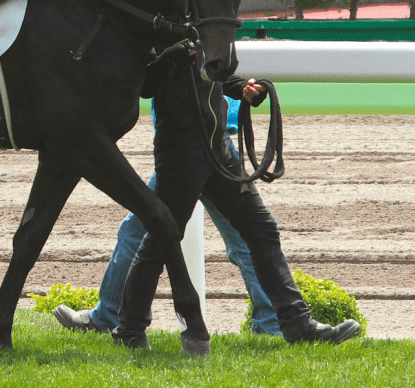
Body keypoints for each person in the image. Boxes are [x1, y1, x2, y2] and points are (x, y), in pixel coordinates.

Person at [57, 41, 361, 349]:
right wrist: (173, 54)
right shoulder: (160, 21)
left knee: (258, 230)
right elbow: (145, 83)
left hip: (219, 149)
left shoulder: (208, 20)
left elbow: (215, 73)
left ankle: (297, 324)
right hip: (182, 152)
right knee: (158, 238)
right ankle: (127, 326)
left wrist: (243, 89)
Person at [53, 93, 280, 336]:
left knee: (137, 230)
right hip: (214, 139)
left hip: (188, 146)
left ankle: (107, 315)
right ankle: (271, 325)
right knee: (245, 238)